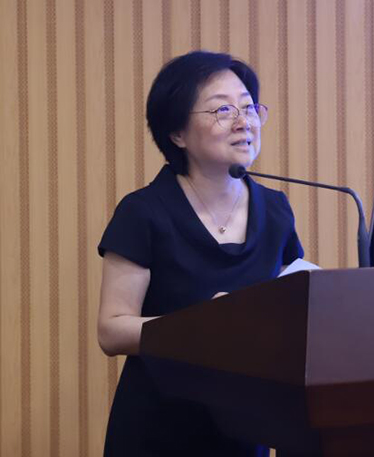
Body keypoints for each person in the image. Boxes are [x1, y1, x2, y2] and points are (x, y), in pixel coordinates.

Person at [97, 51, 303, 456]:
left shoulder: (276, 209)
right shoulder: (144, 212)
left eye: (249, 107)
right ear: (177, 133)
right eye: (223, 110)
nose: (243, 122)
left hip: (246, 422)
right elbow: (111, 330)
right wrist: (201, 328)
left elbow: (288, 304)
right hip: (159, 426)